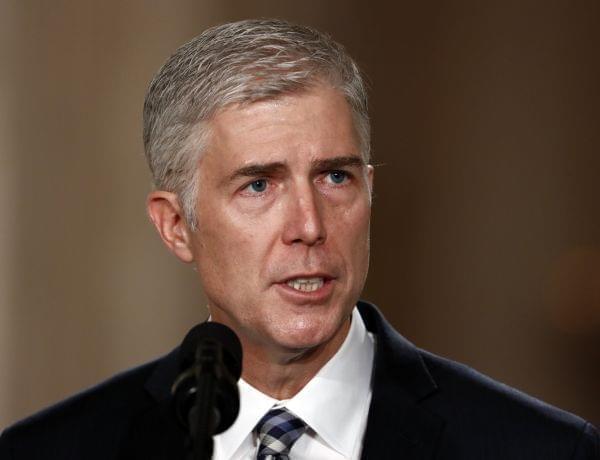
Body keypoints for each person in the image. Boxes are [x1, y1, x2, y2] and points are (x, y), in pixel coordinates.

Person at [0, 18, 597, 460]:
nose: (310, 227)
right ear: (175, 225)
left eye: (335, 177)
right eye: (259, 185)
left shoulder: (543, 450)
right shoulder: (52, 451)